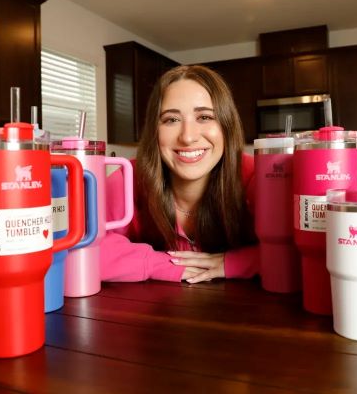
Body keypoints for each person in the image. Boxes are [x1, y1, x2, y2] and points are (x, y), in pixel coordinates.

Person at [101, 65, 259, 283]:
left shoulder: (257, 176)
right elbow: (79, 250)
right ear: (154, 130)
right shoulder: (127, 179)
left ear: (226, 126)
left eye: (204, 117)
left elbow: (298, 249)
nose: (187, 137)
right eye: (171, 120)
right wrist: (158, 264)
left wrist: (235, 262)